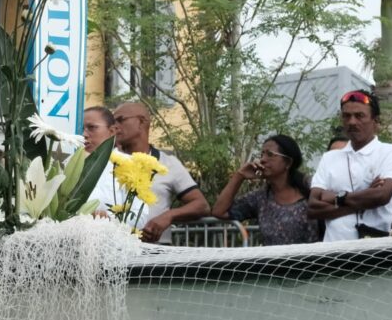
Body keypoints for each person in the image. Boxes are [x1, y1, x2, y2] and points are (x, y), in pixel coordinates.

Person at [308, 90, 392, 241]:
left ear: (376, 121)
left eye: (359, 116)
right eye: (347, 116)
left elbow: (381, 196)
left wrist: (335, 197)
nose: (352, 122)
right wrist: (366, 197)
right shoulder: (329, 158)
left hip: (376, 249)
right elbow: (313, 208)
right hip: (334, 252)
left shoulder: (390, 152)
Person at [111, 102, 210, 243]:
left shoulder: (169, 163)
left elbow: (202, 205)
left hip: (157, 254)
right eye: (112, 121)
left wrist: (168, 216)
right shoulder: (108, 162)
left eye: (120, 120)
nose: (114, 126)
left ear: (141, 122)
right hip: (115, 252)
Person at [211, 135, 320, 245]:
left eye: (270, 154)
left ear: (288, 163)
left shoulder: (311, 187)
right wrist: (239, 176)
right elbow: (219, 211)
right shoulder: (260, 198)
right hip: (272, 261)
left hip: (313, 260)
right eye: (262, 154)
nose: (262, 160)